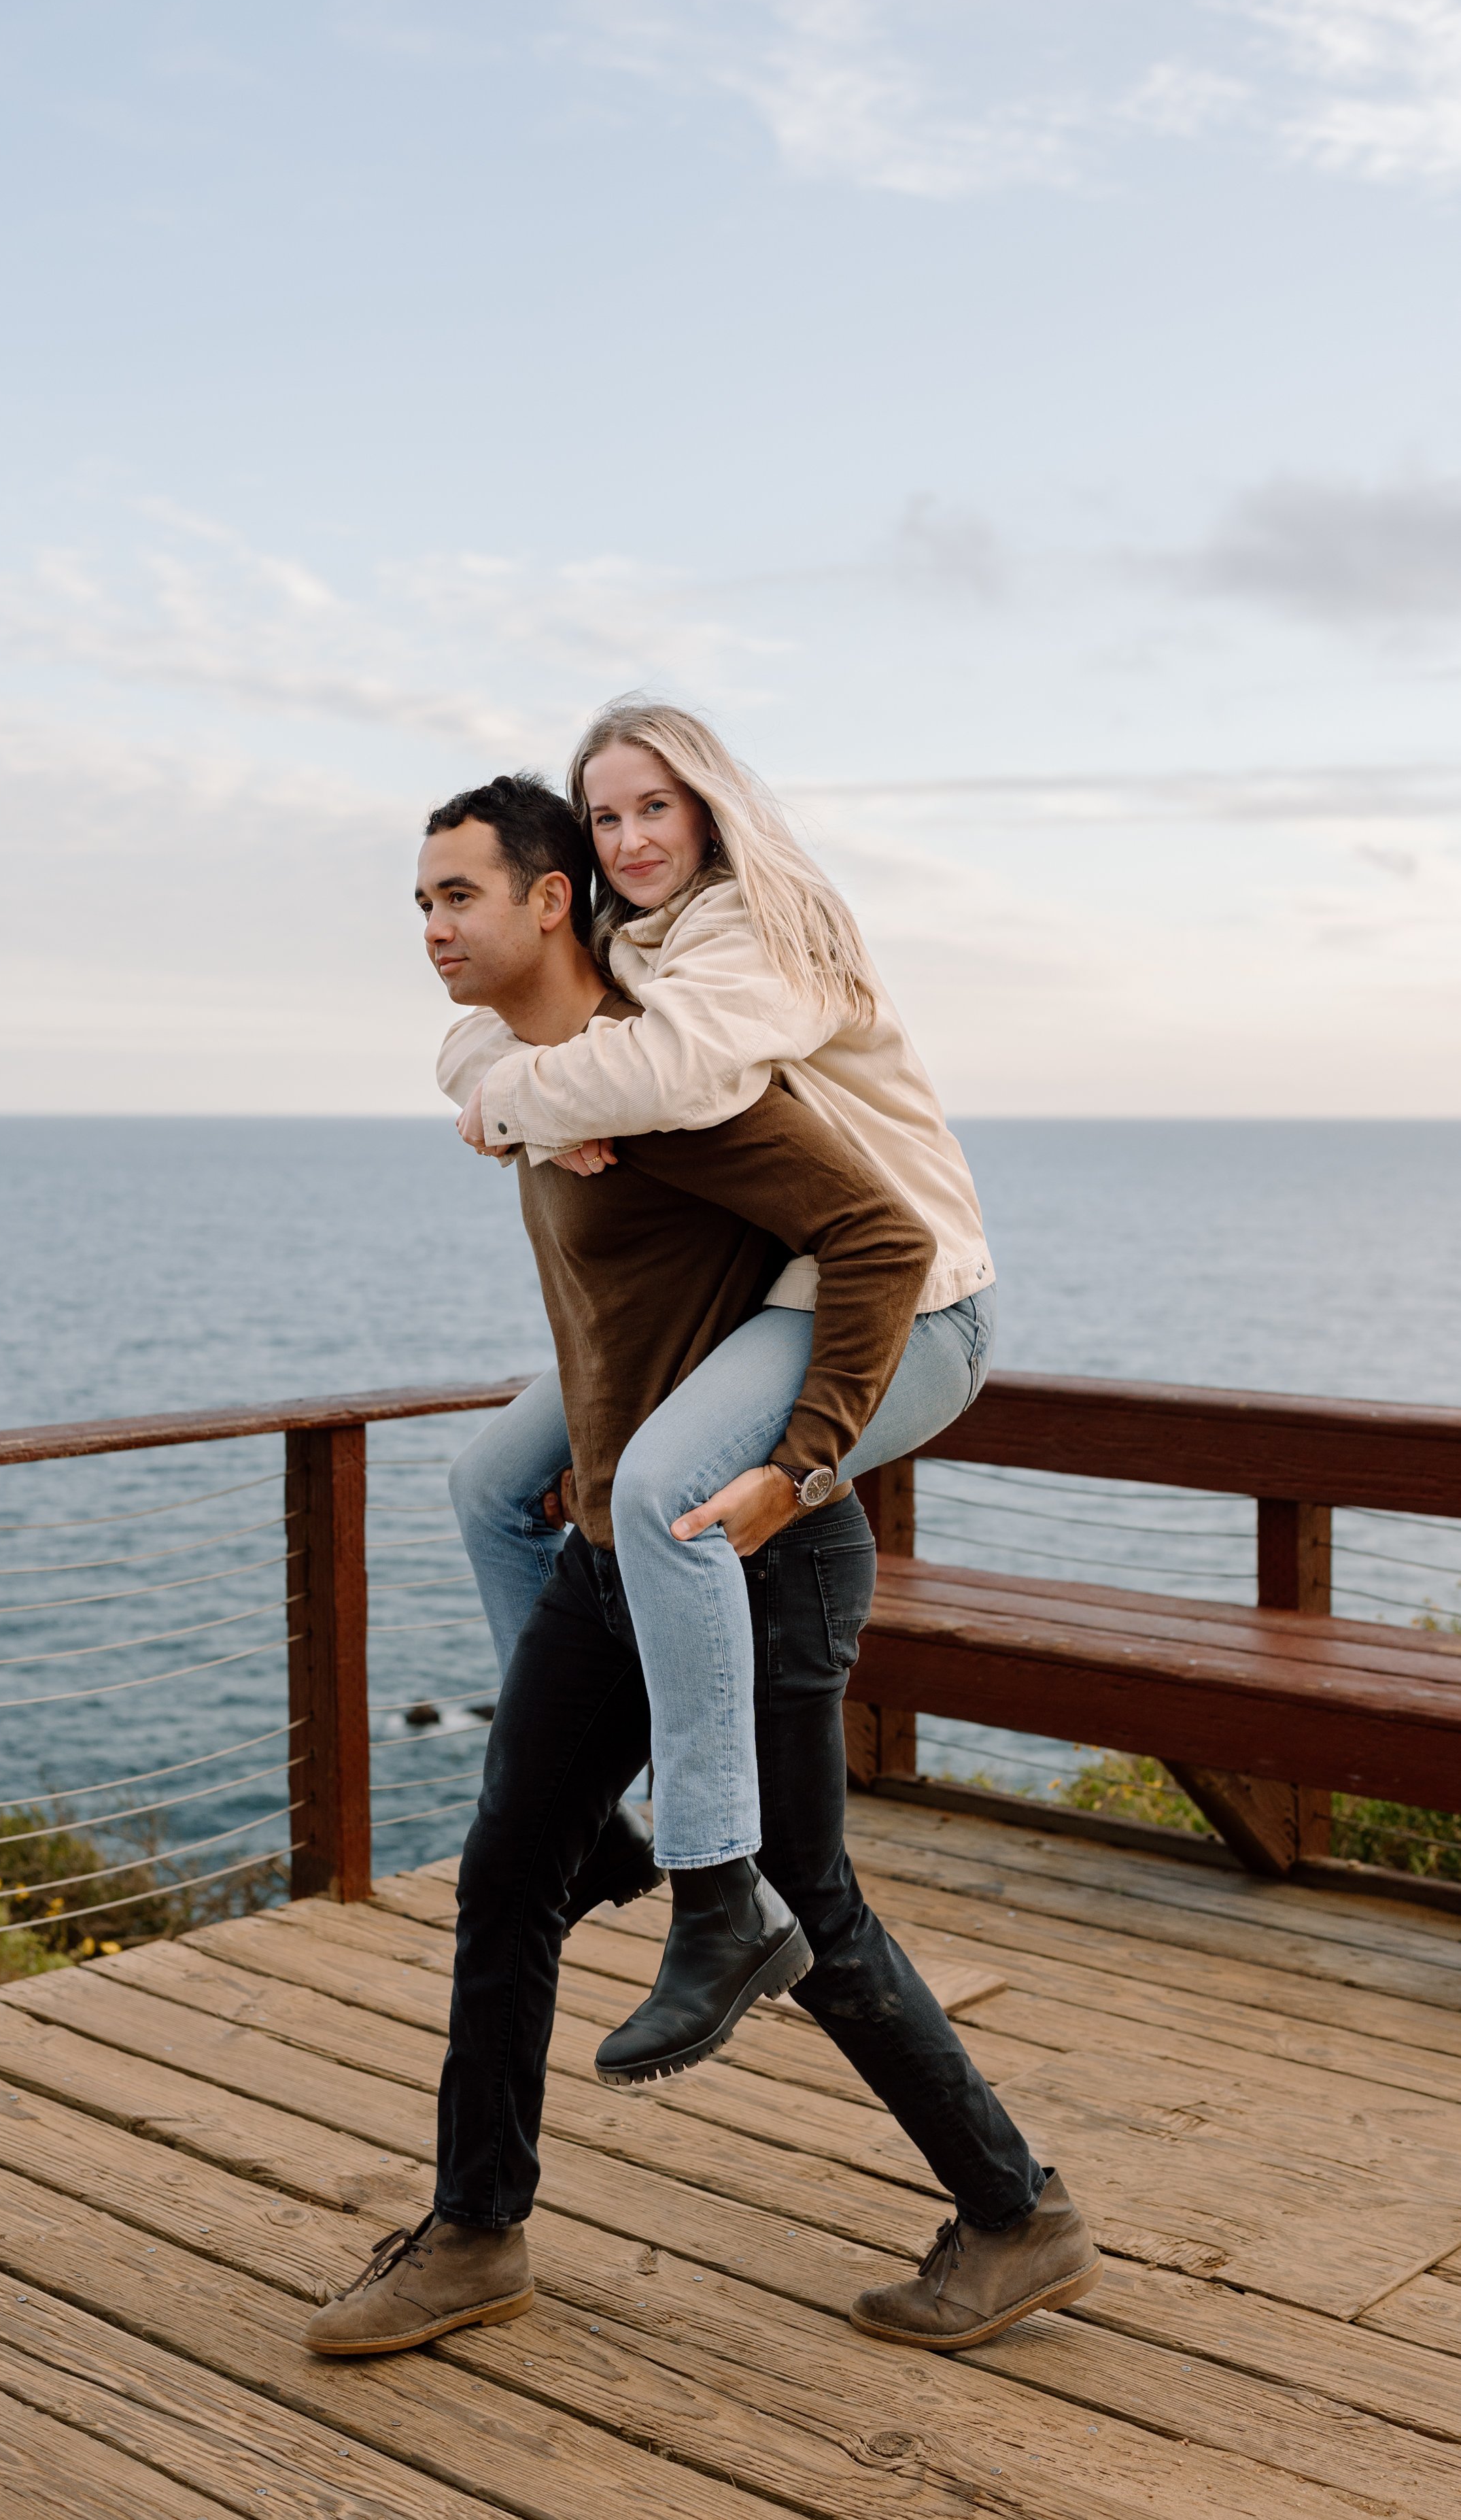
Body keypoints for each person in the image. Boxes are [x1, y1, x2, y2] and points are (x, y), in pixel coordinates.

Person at [303, 774, 1098, 2360]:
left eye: (457, 897)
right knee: (510, 1873)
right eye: (417, 904)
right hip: (609, 1549)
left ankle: (1014, 2213)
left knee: (810, 1905)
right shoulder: (547, 1081)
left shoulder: (682, 1087)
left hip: (747, 1554)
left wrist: (793, 1463)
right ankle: (474, 2234)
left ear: (547, 900)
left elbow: (878, 1245)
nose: (431, 930)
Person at [439, 702, 997, 2071]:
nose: (630, 837)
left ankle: (713, 1897)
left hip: (910, 1304)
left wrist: (535, 1098)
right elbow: (478, 1039)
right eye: (605, 813)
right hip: (776, 1304)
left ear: (708, 810)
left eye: (654, 808)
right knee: (490, 1482)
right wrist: (527, 1087)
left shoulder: (763, 932)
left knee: (664, 1497)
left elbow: (676, 1068)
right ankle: (584, 1817)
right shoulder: (637, 944)